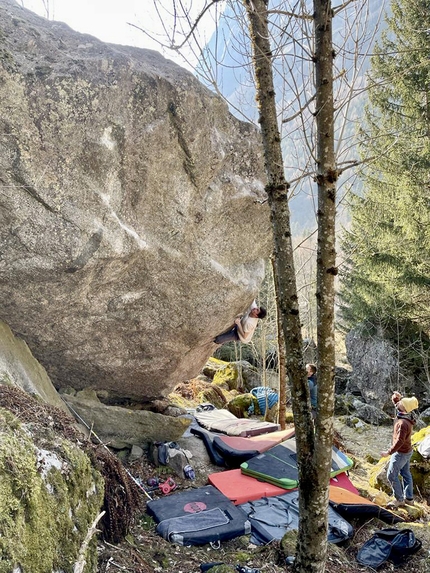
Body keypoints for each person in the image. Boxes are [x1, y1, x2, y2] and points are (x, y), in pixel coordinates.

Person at [380, 392, 419, 509]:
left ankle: (399, 499)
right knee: (406, 474)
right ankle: (409, 499)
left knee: (391, 475)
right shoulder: (406, 415)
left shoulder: (403, 423)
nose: (399, 403)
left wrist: (389, 452)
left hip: (401, 453)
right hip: (407, 451)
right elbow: (399, 406)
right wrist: (396, 399)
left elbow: (399, 441)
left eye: (402, 403)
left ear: (405, 408)